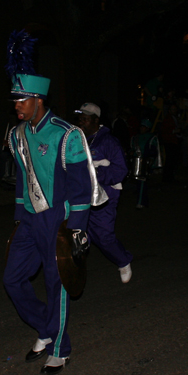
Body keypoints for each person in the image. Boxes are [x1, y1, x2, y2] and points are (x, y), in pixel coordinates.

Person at [3, 30, 100, 375]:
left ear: (38, 100)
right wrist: (19, 216)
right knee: (12, 279)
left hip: (59, 218)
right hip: (30, 219)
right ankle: (45, 329)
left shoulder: (66, 134)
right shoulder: (16, 135)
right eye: (14, 100)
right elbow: (21, 177)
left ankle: (60, 347)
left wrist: (77, 229)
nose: (15, 105)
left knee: (55, 282)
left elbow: (81, 186)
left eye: (21, 100)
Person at [75, 102, 133, 283]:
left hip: (105, 196)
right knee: (77, 234)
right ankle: (73, 270)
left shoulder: (108, 141)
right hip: (82, 195)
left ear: (95, 120)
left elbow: (120, 171)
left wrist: (96, 173)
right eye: (80, 119)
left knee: (104, 236)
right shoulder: (78, 139)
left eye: (85, 119)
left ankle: (123, 260)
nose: (81, 122)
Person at [130, 119, 161, 209]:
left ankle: (141, 202)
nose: (141, 128)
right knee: (140, 182)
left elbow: (153, 151)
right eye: (141, 126)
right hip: (136, 162)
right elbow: (132, 149)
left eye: (144, 127)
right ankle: (143, 201)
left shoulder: (151, 138)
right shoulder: (135, 137)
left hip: (145, 162)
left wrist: (150, 161)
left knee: (142, 181)